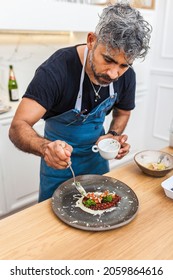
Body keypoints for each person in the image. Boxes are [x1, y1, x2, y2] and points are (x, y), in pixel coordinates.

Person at [9, 2, 152, 202]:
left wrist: (113, 136)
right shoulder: (55, 70)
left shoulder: (127, 76)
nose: (113, 73)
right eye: (108, 60)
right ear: (91, 40)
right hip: (58, 166)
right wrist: (45, 148)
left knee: (99, 213)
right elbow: (17, 126)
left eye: (123, 65)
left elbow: (123, 112)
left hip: (97, 162)